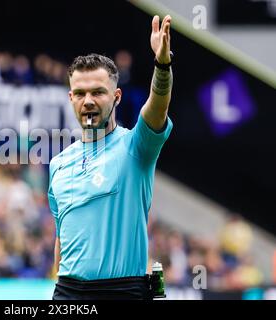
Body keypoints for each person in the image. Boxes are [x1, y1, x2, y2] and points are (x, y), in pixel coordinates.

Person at [48, 15, 174, 300]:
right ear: (70, 98)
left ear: (116, 96)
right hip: (67, 293)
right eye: (79, 93)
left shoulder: (136, 147)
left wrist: (162, 66)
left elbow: (157, 107)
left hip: (122, 292)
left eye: (98, 92)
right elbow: (62, 236)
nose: (88, 100)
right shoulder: (58, 164)